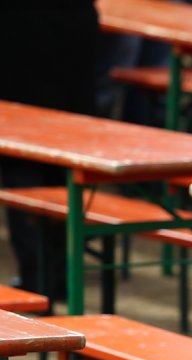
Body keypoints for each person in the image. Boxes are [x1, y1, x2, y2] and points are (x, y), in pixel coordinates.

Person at [0, 0, 100, 302]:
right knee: (59, 170)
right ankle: (56, 278)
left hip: (23, 35)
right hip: (69, 31)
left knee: (25, 168)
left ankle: (38, 282)